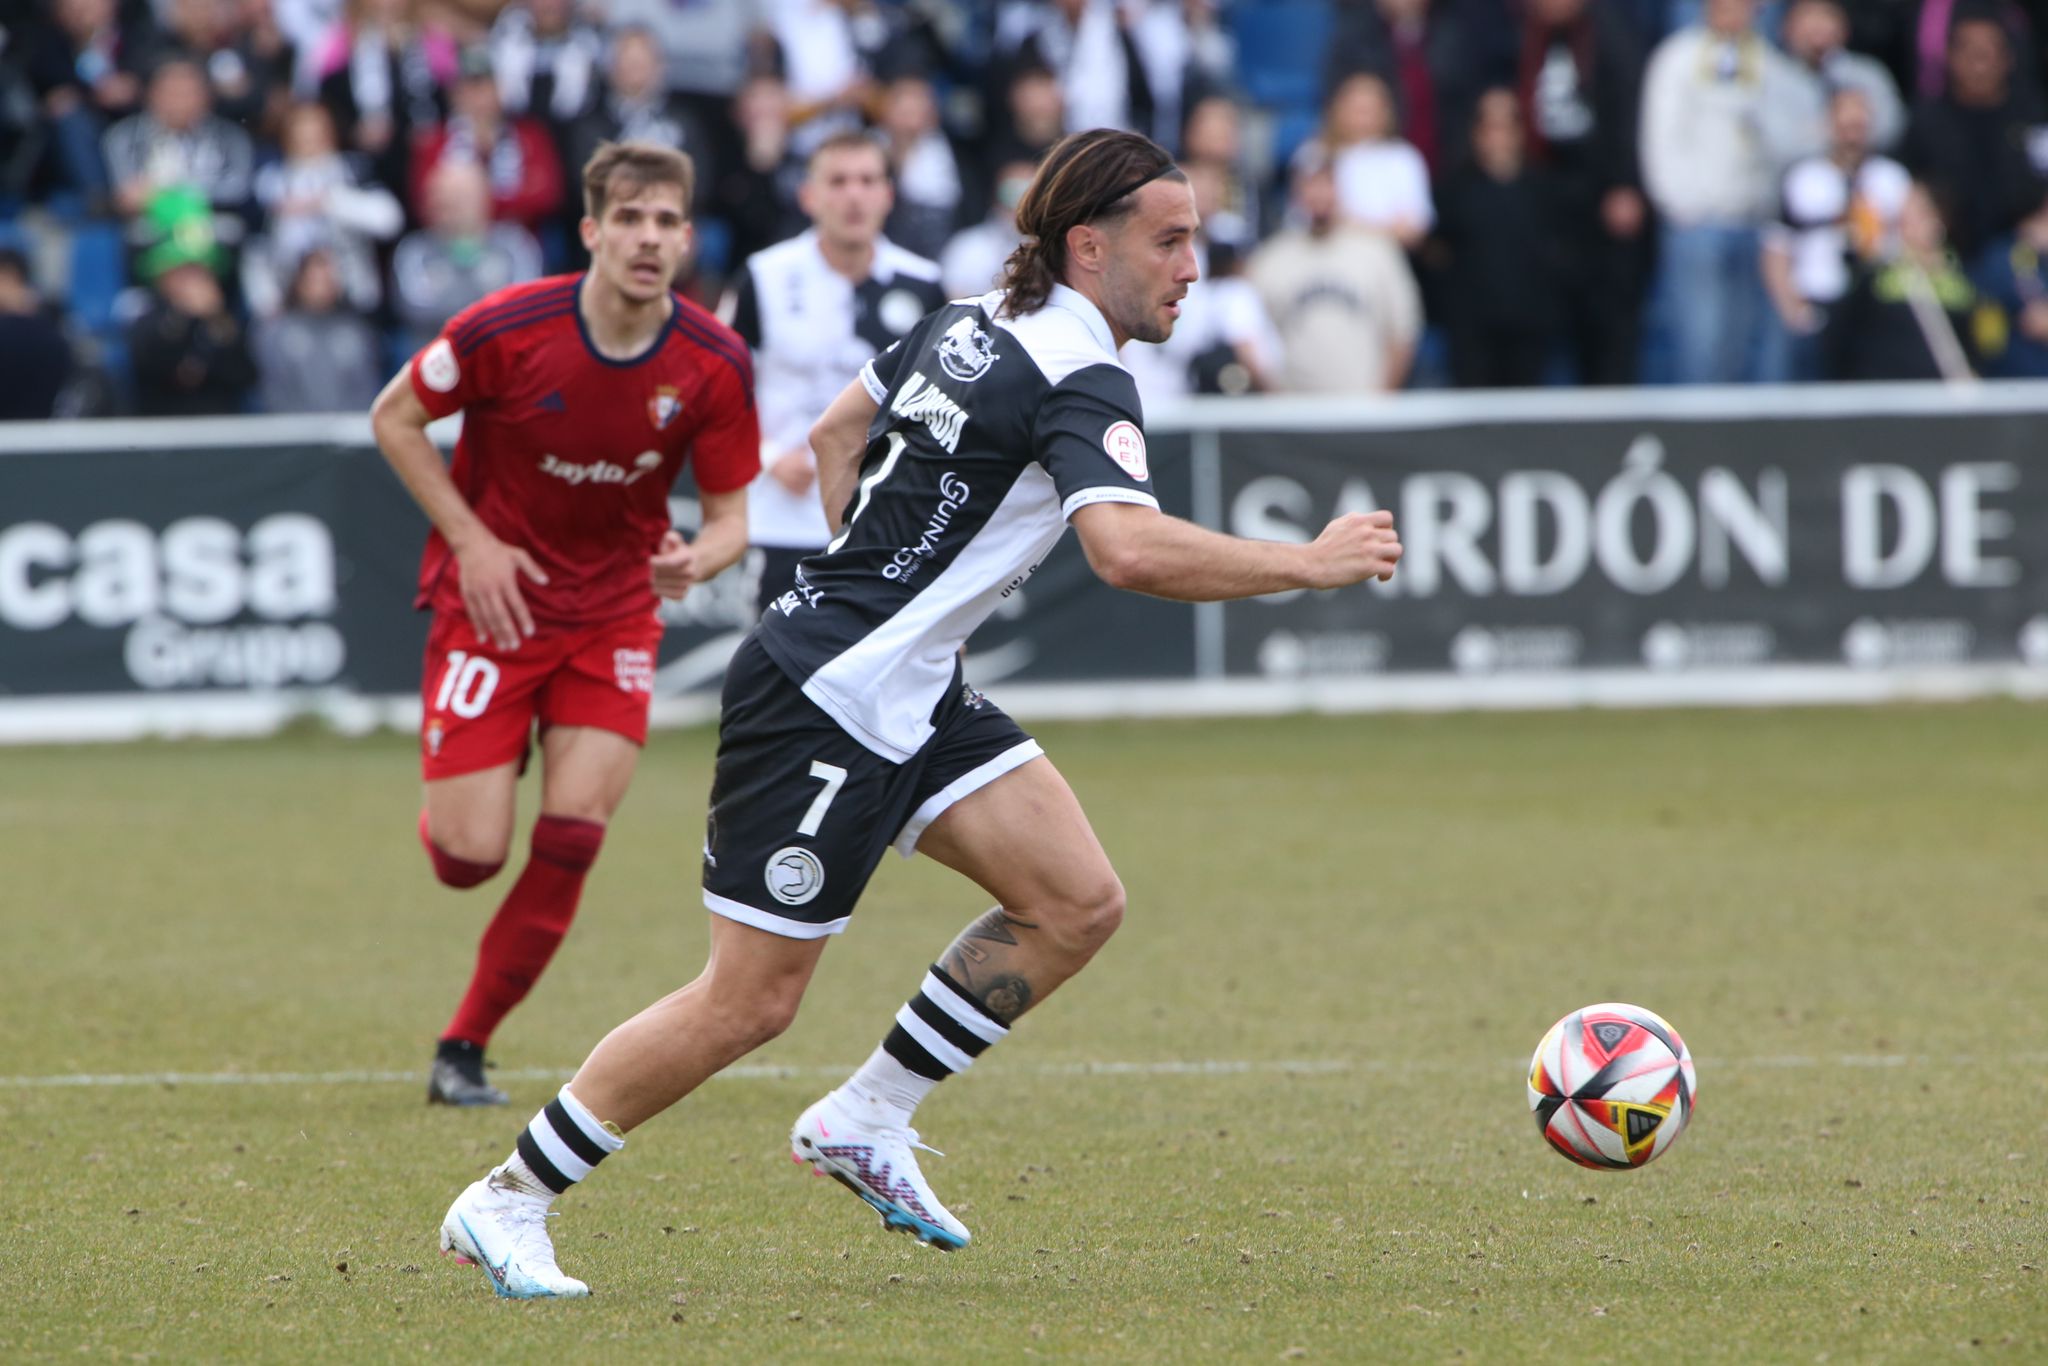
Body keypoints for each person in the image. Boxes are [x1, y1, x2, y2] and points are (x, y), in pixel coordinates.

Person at [434, 127, 1403, 1299]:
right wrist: (1305, 563)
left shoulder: (971, 312)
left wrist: (879, 584)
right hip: (824, 702)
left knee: (1074, 900)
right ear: (1089, 247)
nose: (1192, 265)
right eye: (1172, 240)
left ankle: (866, 1118)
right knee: (746, 1001)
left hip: (905, 684)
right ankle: (507, 1198)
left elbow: (838, 432)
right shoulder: (1082, 376)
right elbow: (1126, 549)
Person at [367, 141, 760, 1108]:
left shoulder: (712, 362)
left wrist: (691, 561)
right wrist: (470, 541)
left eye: (667, 220)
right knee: (467, 859)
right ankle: (474, 767)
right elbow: (394, 417)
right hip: (493, 604)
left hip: (614, 614)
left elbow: (730, 526)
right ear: (591, 231)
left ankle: (465, 1047)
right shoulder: (505, 328)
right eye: (630, 217)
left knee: (575, 835)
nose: (649, 237)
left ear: (686, 237)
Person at [719, 130, 945, 617]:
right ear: (809, 196)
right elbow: (721, 386)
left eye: (867, 180)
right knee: (779, 677)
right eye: (838, 181)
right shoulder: (764, 276)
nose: (854, 195)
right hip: (783, 514)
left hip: (887, 519)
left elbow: (945, 403)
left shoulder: (924, 284)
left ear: (888, 194)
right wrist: (768, 454)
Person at [1761, 86, 1910, 380]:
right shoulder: (1803, 178)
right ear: (1828, 125)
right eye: (1845, 124)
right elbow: (1776, 248)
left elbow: (1916, 240)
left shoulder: (1892, 179)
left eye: (1859, 124)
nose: (1852, 133)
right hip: (1818, 302)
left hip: (1880, 306)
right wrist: (1791, 307)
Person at [1249, 149, 1421, 392]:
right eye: (1310, 184)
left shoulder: (1378, 251)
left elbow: (1403, 333)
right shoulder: (1270, 260)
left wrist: (1382, 399)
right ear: (1296, 192)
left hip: (1362, 410)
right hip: (1293, 414)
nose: (1319, 194)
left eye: (1327, 183)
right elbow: (1251, 339)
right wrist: (1276, 398)